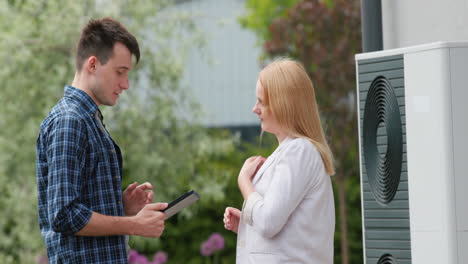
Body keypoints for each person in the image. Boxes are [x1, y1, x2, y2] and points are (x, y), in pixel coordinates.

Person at [36, 18, 168, 263]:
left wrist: (119, 206)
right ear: (93, 64)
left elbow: (76, 209)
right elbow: (64, 215)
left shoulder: (88, 119)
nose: (126, 84)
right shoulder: (70, 121)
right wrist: (133, 224)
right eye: (120, 72)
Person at [223, 59, 336, 263]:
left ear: (283, 105)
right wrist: (247, 225)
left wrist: (244, 182)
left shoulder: (298, 151)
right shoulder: (292, 151)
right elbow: (282, 225)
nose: (254, 109)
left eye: (261, 102)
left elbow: (268, 222)